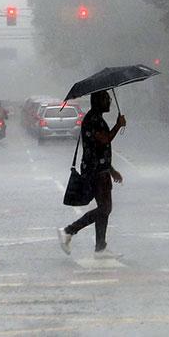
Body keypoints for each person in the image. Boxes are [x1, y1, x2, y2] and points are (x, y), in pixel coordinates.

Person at [58, 90, 126, 257]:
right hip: (95, 171)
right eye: (106, 99)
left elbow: (101, 149)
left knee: (104, 208)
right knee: (105, 208)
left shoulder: (97, 118)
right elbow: (104, 140)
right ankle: (69, 231)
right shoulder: (92, 120)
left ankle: (100, 247)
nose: (109, 101)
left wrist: (111, 170)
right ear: (98, 101)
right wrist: (118, 125)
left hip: (101, 169)